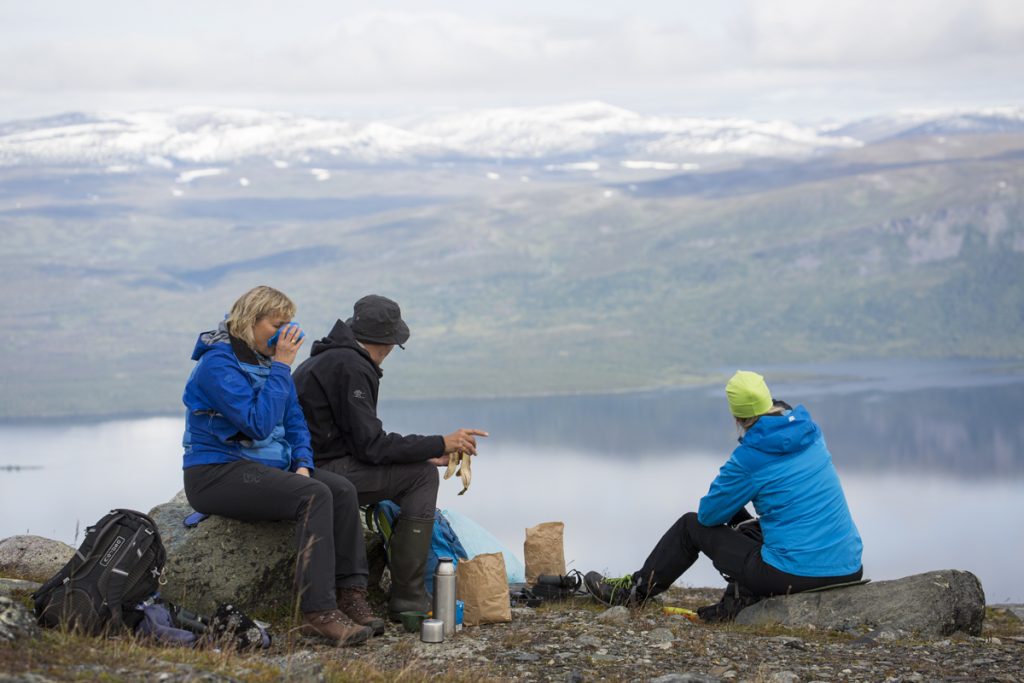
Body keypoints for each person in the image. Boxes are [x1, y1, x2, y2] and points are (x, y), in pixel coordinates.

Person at [181, 285, 380, 646]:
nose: (286, 332)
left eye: (290, 323)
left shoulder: (268, 366)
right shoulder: (217, 365)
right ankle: (317, 614)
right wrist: (283, 366)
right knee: (315, 495)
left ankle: (351, 593)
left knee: (341, 489)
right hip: (214, 473)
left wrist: (303, 462)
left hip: (262, 467)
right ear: (249, 321)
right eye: (278, 324)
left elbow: (295, 422)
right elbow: (256, 423)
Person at [584, 370, 863, 611]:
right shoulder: (810, 433)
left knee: (689, 525)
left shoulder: (750, 457)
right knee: (750, 522)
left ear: (737, 415)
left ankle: (632, 594)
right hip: (849, 567)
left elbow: (708, 516)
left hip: (792, 574)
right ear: (769, 399)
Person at [293, 294, 488, 620]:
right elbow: (372, 446)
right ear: (388, 344)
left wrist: (422, 454)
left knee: (417, 470)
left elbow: (359, 443)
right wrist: (440, 442)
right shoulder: (353, 366)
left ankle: (407, 594)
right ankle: (409, 600)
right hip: (321, 470)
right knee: (422, 478)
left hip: (314, 463)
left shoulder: (329, 358)